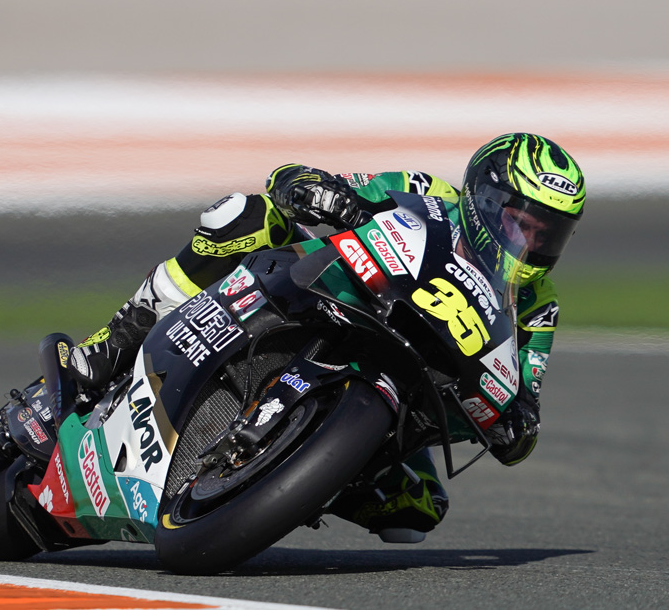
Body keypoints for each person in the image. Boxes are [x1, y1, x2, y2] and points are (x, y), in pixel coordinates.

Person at [68, 132, 585, 542]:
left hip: (407, 399)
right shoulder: (426, 193)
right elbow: (296, 179)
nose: (533, 243)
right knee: (244, 215)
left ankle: (308, 477)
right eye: (524, 224)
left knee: (416, 512)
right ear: (484, 202)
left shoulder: (537, 306)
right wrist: (315, 191)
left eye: (549, 234)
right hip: (328, 301)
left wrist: (513, 423)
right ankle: (117, 339)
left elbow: (525, 410)